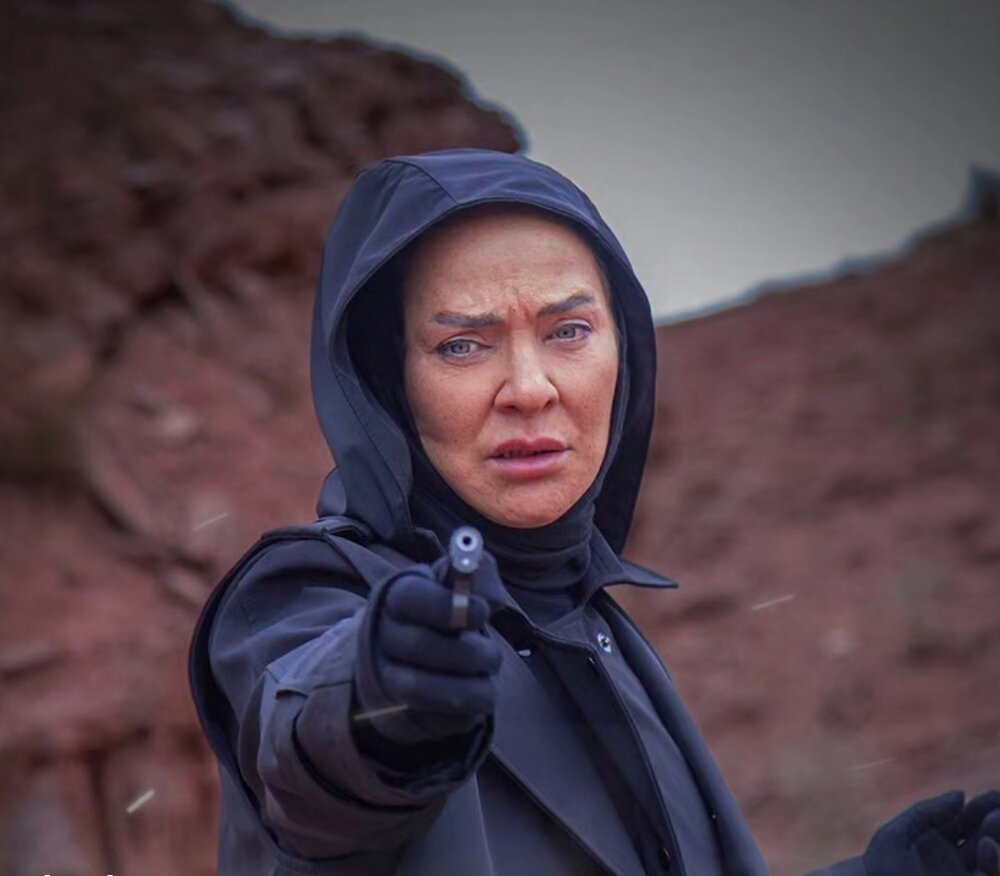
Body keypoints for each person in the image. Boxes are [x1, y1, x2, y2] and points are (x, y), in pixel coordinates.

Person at [188, 148, 1000, 875]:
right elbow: (307, 750)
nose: (530, 387)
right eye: (462, 345)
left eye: (569, 330)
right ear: (386, 379)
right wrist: (377, 694)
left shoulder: (594, 624)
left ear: (625, 351)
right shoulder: (301, 592)